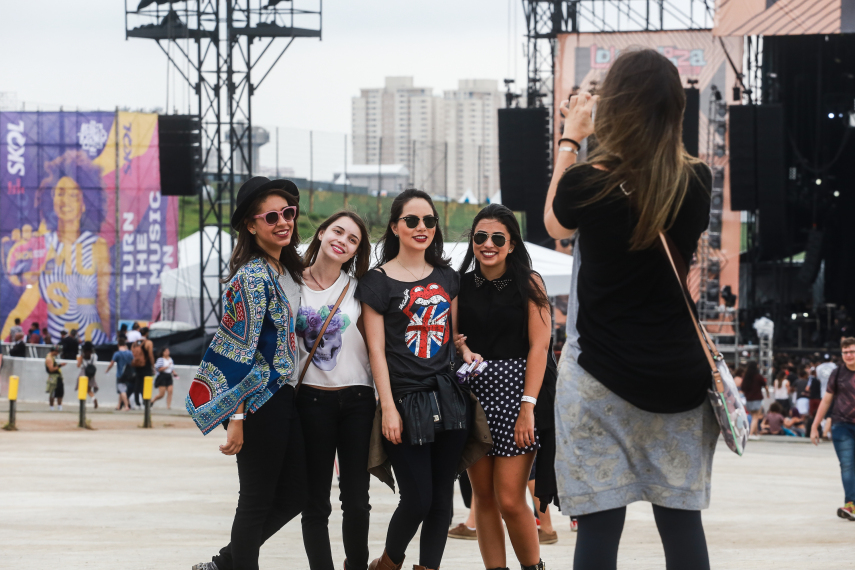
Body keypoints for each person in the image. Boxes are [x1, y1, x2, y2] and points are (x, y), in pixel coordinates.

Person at [544, 49, 720, 570]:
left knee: (600, 526)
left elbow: (555, 226)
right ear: (675, 109)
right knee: (681, 522)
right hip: (679, 379)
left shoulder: (587, 182)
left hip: (599, 376)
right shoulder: (698, 181)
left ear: (613, 107)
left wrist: (572, 137)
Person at [357, 188, 482, 570]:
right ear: (395, 226)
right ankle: (388, 564)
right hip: (405, 401)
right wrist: (388, 407)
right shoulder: (376, 281)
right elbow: (376, 351)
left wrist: (465, 352)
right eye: (412, 220)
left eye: (429, 220)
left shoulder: (448, 276)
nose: (421, 227)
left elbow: (453, 334)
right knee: (417, 499)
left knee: (442, 500)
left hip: (448, 396)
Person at [188, 177, 306, 570]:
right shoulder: (251, 278)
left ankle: (225, 563)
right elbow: (238, 354)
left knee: (295, 493)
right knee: (256, 499)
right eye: (271, 216)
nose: (283, 221)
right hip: (259, 403)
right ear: (251, 226)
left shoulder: (286, 270)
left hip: (284, 398)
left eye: (288, 213)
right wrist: (235, 418)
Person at [454, 203, 550, 570]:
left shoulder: (529, 281)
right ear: (473, 241)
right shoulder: (460, 283)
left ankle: (533, 568)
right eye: (481, 237)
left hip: (517, 395)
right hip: (474, 397)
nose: (488, 244)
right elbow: (452, 338)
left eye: (498, 238)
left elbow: (540, 347)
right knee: (484, 498)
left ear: (511, 244)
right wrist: (461, 346)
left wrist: (528, 406)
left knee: (510, 499)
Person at [296, 211, 375, 570]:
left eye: (352, 239)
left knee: (357, 500)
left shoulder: (362, 289)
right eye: (338, 231)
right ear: (323, 232)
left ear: (356, 251)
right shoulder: (290, 283)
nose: (342, 240)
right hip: (310, 399)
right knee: (315, 503)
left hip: (358, 399)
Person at [811, 337, 855, 521]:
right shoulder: (837, 374)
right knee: (847, 465)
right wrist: (815, 426)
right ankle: (851, 505)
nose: (849, 355)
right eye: (845, 352)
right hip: (841, 425)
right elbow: (826, 400)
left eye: (852, 351)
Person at [105, 340, 134, 411]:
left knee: (122, 390)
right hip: (129, 374)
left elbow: (112, 363)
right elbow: (134, 361)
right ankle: (119, 405)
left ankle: (126, 406)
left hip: (120, 374)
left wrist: (107, 370)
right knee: (122, 390)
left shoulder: (117, 354)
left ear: (118, 345)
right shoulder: (130, 353)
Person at [129, 327, 154, 407]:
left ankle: (137, 402)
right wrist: (153, 366)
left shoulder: (135, 343)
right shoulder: (148, 343)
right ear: (147, 333)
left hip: (137, 365)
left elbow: (131, 354)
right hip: (146, 365)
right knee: (146, 383)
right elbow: (150, 355)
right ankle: (145, 401)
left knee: (138, 383)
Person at [742, 361, 767, 438]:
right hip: (757, 398)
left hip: (748, 399)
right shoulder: (758, 376)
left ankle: (755, 434)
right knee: (756, 417)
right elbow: (765, 385)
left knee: (753, 416)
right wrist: (768, 393)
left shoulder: (746, 377)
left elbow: (742, 387)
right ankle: (751, 434)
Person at [76, 340, 99, 409]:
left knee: (82, 389)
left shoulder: (83, 355)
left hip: (83, 373)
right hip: (91, 373)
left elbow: (78, 365)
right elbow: (94, 365)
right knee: (88, 389)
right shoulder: (94, 356)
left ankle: (83, 404)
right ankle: (93, 398)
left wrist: (81, 357)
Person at [45, 345, 66, 411]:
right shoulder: (49, 358)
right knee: (52, 392)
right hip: (53, 377)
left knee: (60, 392)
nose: (58, 353)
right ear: (54, 351)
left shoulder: (52, 357)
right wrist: (60, 365)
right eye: (58, 351)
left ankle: (59, 406)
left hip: (58, 377)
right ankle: (52, 407)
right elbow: (51, 369)